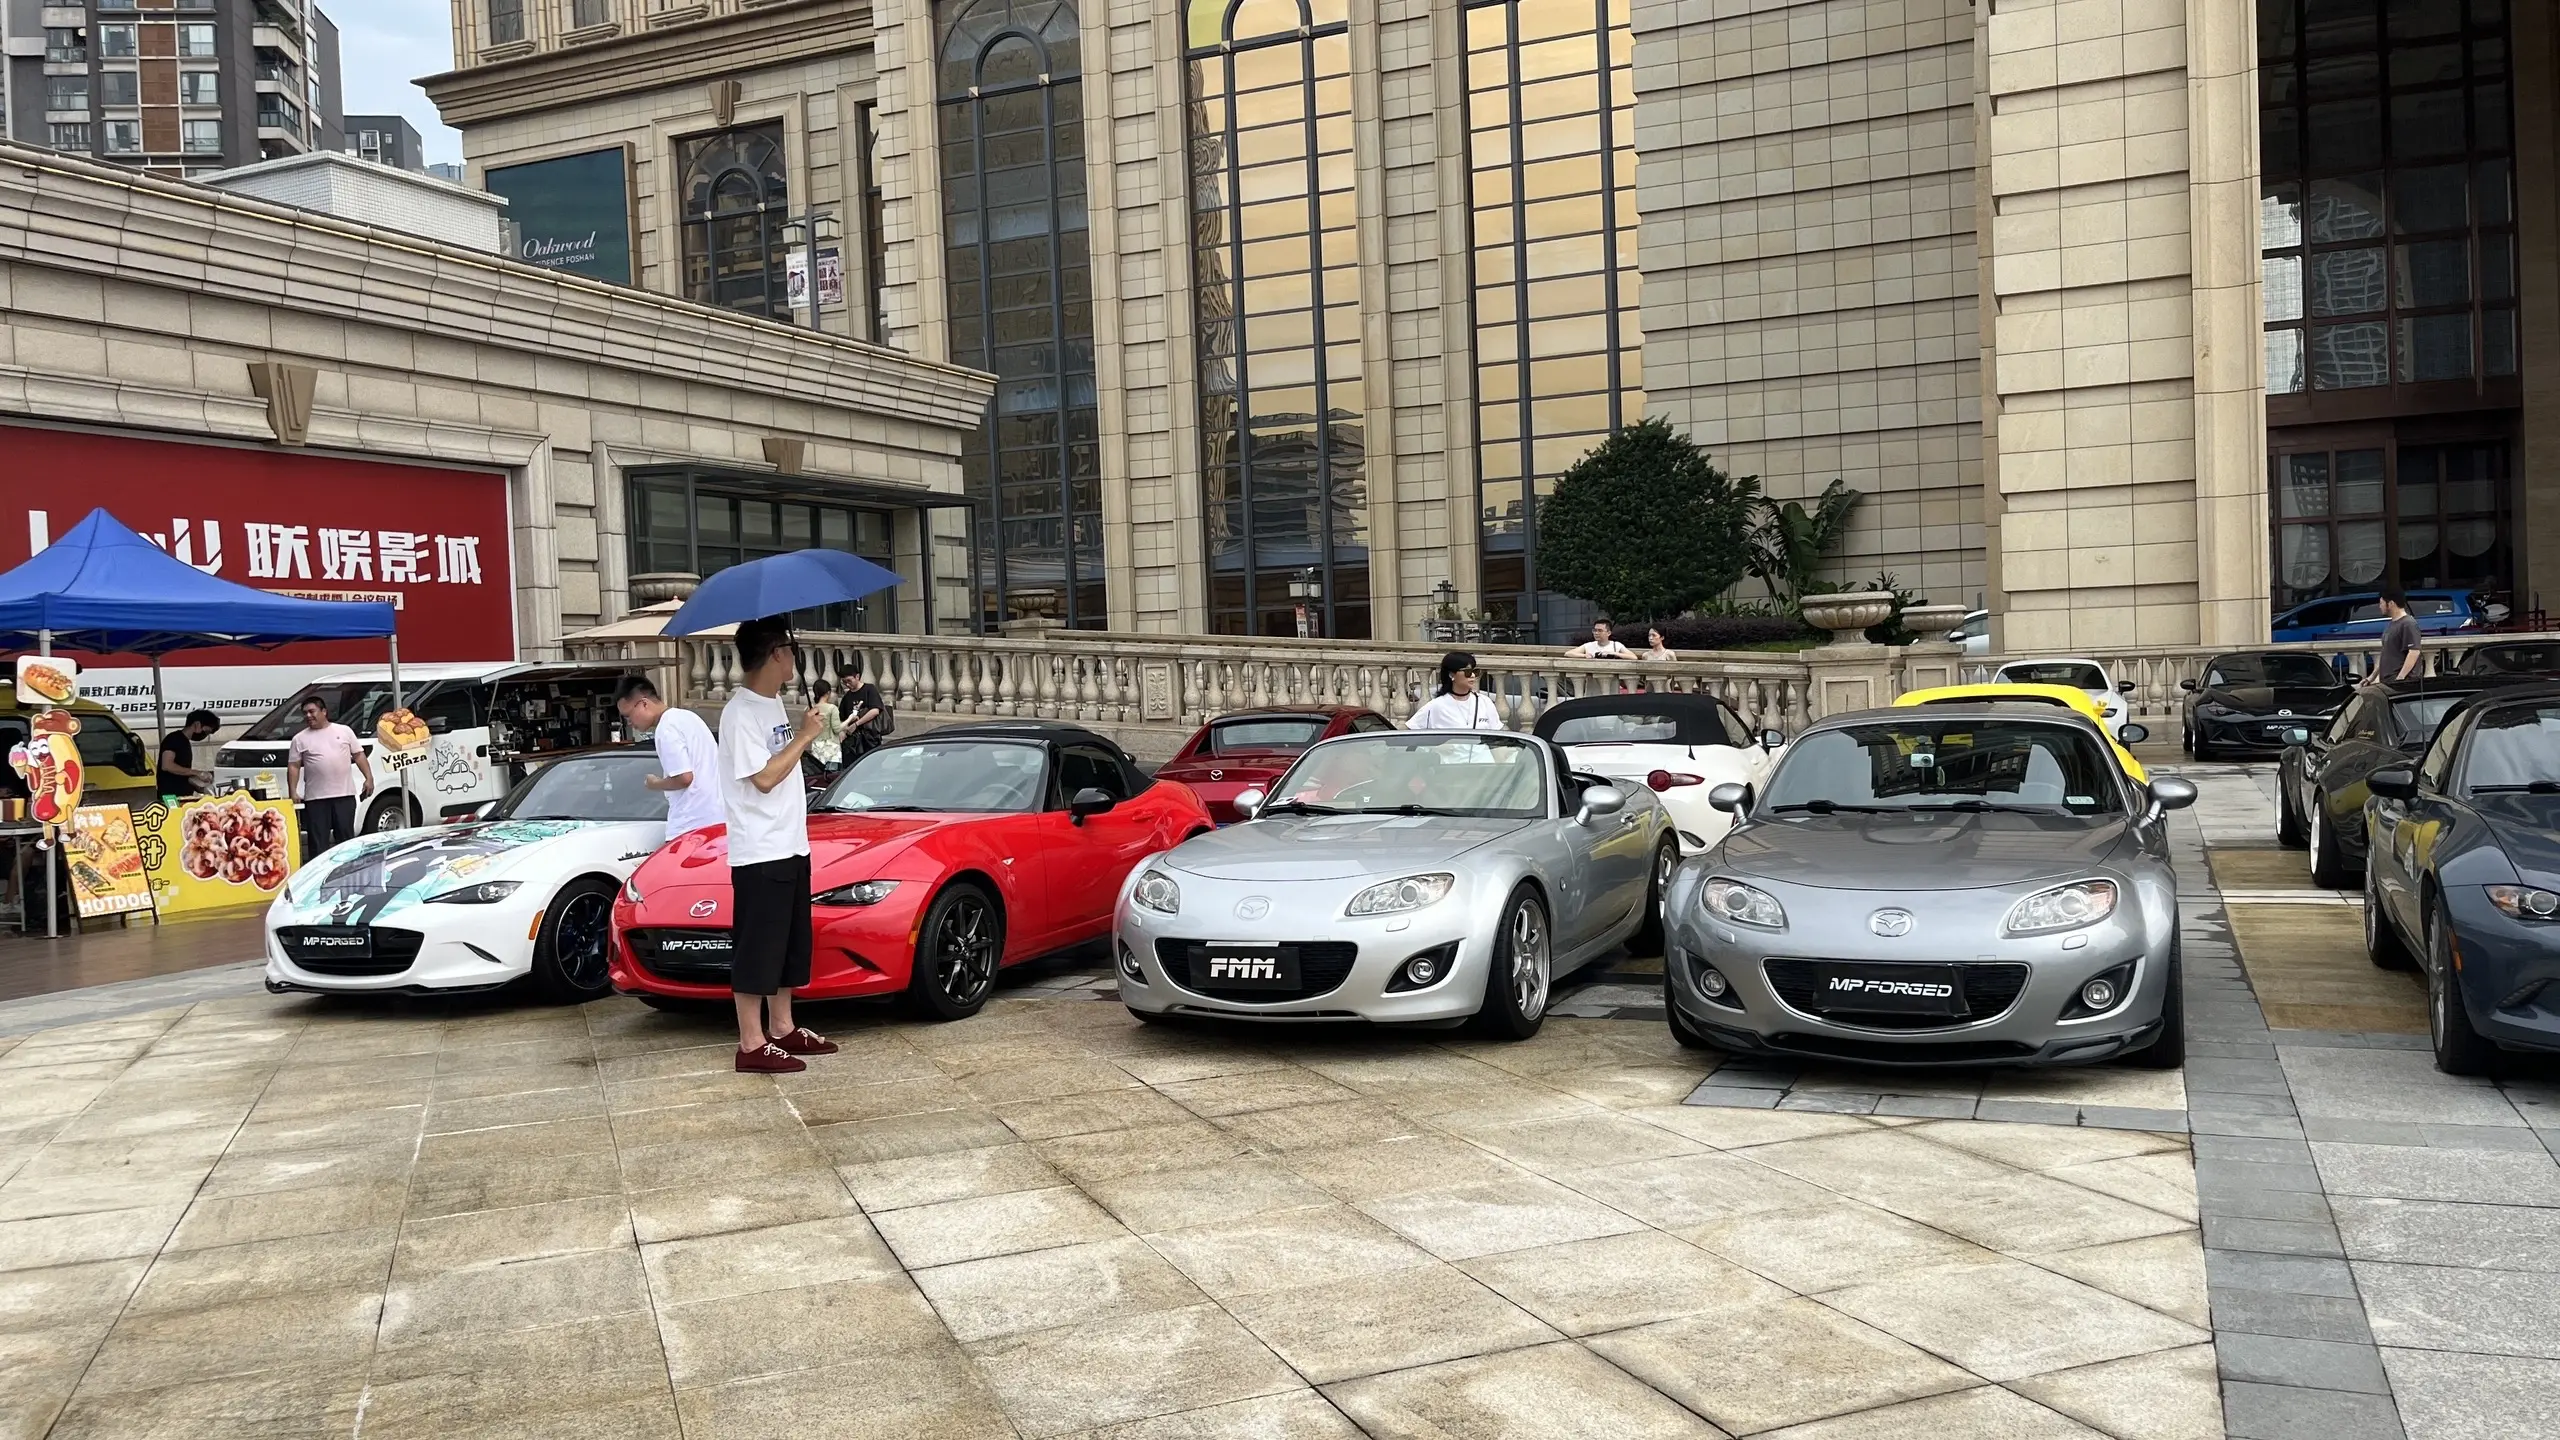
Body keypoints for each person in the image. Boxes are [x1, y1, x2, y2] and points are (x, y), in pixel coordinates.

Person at [719, 616, 838, 1074]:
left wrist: (804, 733)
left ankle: (783, 1027)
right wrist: (805, 736)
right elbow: (765, 778)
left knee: (788, 944)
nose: (794, 658)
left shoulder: (773, 705)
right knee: (758, 946)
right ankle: (751, 1042)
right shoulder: (740, 713)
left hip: (790, 843)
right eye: (790, 649)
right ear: (775, 654)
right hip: (760, 850)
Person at [616, 674, 725, 842]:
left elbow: (684, 778)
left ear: (644, 703)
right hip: (716, 820)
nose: (629, 723)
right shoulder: (688, 717)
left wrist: (655, 783)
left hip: (690, 826)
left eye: (628, 716)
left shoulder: (666, 729)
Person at [286, 695, 373, 861]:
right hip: (316, 799)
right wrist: (293, 791)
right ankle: (320, 872)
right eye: (305, 713)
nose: (308, 716)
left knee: (345, 839)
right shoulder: (299, 739)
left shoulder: (344, 731)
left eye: (312, 711)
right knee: (318, 842)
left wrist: (368, 778)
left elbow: (359, 755)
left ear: (324, 711)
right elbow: (294, 766)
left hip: (344, 795)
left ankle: (348, 868)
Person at [1407, 652, 1506, 731]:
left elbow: (1498, 734)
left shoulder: (1484, 702)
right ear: (1451, 675)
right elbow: (1411, 730)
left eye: (1475, 671)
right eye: (1467, 672)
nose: (1472, 675)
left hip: (1481, 751)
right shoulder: (1436, 706)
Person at [157, 709, 222, 799]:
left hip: (182, 795)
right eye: (206, 731)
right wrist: (198, 773)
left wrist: (197, 780)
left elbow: (182, 772)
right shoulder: (173, 739)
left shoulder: (185, 742)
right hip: (170, 796)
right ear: (197, 724)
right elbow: (167, 765)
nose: (205, 735)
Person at [2369, 587, 2424, 689]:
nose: (2379, 606)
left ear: (2391, 603)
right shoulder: (2391, 624)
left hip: (2403, 684)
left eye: (2381, 603)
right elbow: (2387, 654)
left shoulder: (2408, 624)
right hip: (2388, 681)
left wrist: (2400, 679)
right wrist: (2371, 677)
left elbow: (2414, 652)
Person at [836, 660, 886, 763]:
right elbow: (842, 718)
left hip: (870, 738)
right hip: (853, 742)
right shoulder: (847, 697)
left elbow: (875, 710)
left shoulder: (869, 689)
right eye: (844, 682)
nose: (847, 684)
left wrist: (856, 724)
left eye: (849, 681)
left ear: (857, 677)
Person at [804, 679, 848, 780]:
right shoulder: (832, 708)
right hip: (831, 749)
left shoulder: (810, 709)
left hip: (817, 747)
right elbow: (837, 729)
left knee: (820, 777)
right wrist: (850, 719)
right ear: (828, 692)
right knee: (833, 778)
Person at [1566, 619, 1632, 660]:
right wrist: (1584, 655)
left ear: (1608, 633)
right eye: (1595, 630)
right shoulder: (1588, 645)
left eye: (1600, 630)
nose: (1596, 633)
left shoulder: (1616, 645)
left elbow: (1633, 657)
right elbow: (1568, 653)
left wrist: (1614, 653)